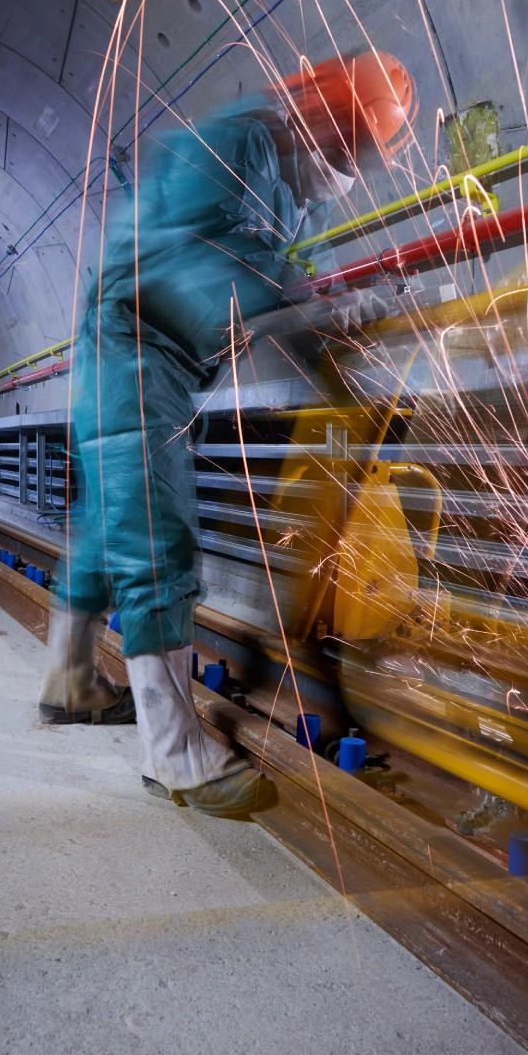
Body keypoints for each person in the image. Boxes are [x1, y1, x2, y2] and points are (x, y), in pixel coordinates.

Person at [37, 51, 415, 817]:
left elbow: (273, 263)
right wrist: (304, 309)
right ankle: (173, 754)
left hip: (172, 355)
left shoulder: (294, 173)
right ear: (320, 111)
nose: (348, 169)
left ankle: (70, 682)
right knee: (154, 532)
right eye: (346, 147)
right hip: (131, 343)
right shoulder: (229, 144)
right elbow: (200, 257)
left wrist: (335, 301)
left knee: (111, 523)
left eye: (359, 158)